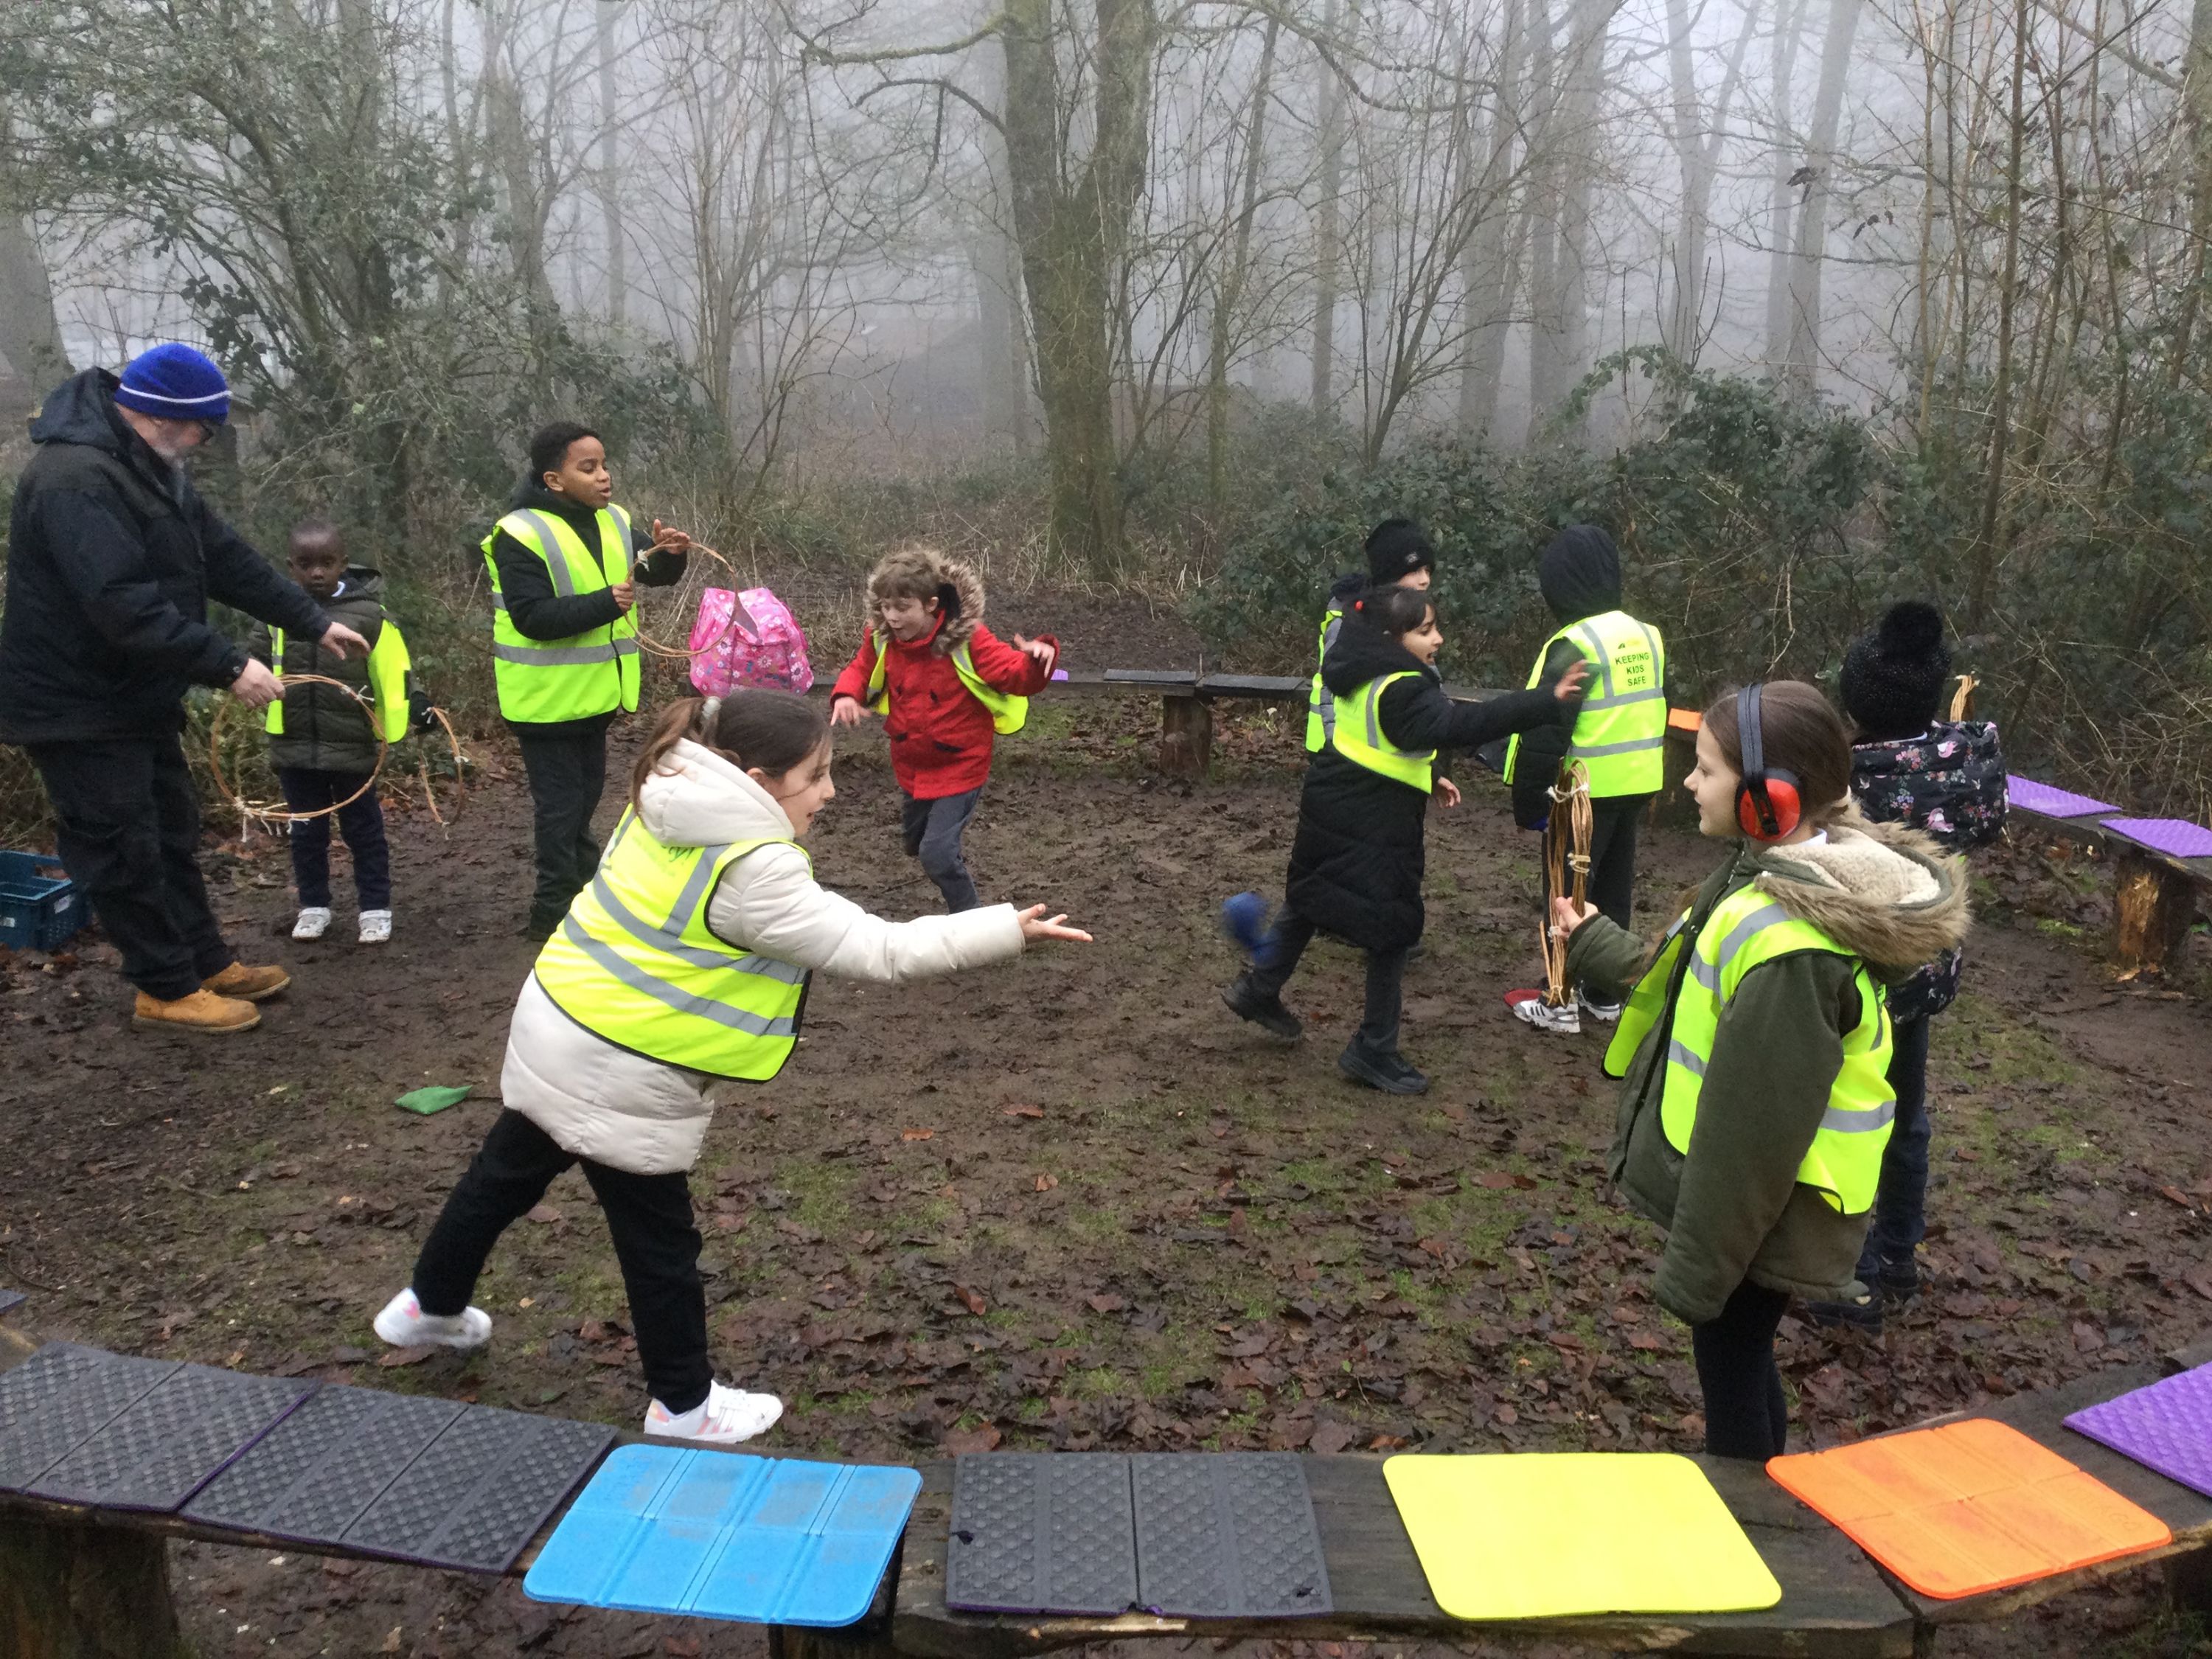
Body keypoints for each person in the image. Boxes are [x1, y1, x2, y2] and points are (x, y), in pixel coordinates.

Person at [372, 689, 1091, 1443]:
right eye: (814, 776)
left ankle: (427, 1307)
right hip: (626, 1066)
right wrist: (1004, 929)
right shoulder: (755, 872)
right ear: (756, 777)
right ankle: (683, 1405)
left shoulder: (662, 795)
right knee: (658, 1244)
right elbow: (883, 950)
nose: (830, 791)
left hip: (560, 1021)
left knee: (501, 1176)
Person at [1554, 681, 1968, 1459]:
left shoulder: (1792, 944)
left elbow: (1752, 1140)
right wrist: (1592, 939)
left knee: (1732, 1365)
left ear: (1768, 796)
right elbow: (1679, 970)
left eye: (1705, 770)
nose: (1687, 783)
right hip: (1763, 1212)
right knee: (1740, 1356)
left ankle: (1756, 1524)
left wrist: (1696, 1273)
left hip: (1766, 1214)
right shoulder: (1763, 875)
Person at [0, 345, 369, 1033]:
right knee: (121, 846)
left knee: (172, 831)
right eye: (204, 427)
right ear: (162, 415)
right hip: (75, 706)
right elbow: (119, 604)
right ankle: (163, 987)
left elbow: (224, 558)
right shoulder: (75, 479)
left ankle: (204, 960)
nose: (206, 441)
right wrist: (229, 666)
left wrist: (312, 621)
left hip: (135, 694)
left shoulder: (153, 470)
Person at [1223, 584, 1589, 1095]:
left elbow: (1383, 736)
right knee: (1391, 930)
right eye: (1425, 631)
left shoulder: (1355, 668)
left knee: (1312, 896)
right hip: (1375, 822)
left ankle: (1259, 989)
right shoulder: (1401, 687)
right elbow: (1461, 723)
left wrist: (1425, 774)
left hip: (1334, 797)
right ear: (1391, 638)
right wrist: (1544, 701)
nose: (1437, 638)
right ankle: (1374, 1048)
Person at [1806, 602, 2006, 1332]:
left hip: (1852, 972)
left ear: (1854, 700)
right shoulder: (1960, 764)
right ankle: (1896, 1256)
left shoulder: (1840, 776)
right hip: (1923, 969)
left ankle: (1848, 1276)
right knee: (1907, 1113)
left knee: (1848, 1112)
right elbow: (1987, 824)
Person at [482, 422, 694, 939]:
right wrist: (605, 604)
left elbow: (653, 574)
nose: (605, 477)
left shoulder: (614, 522)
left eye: (604, 465)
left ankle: (583, 895)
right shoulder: (519, 534)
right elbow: (532, 617)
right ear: (554, 480)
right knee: (560, 810)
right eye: (589, 467)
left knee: (582, 804)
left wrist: (672, 554)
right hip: (544, 704)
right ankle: (552, 913)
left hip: (595, 699)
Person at [1503, 524, 1667, 1036]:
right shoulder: (1646, 635)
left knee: (1566, 893)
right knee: (1612, 891)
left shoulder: (1575, 643)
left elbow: (1544, 732)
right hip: (1635, 784)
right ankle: (1604, 992)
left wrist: (1529, 800)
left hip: (1579, 794)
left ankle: (1559, 997)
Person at [827, 548, 1057, 912]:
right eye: (886, 607)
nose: (893, 617)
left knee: (937, 856)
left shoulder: (968, 639)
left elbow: (1012, 673)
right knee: (915, 845)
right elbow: (859, 668)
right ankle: (930, 850)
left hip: (961, 764)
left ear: (931, 604)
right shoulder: (881, 637)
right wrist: (845, 696)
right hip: (911, 762)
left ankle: (971, 922)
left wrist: (1036, 658)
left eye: (903, 608)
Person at [248, 520, 434, 947]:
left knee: (363, 830)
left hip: (353, 742)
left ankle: (374, 908)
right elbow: (253, 661)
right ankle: (313, 906)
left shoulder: (369, 615)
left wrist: (416, 704)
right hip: (293, 743)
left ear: (343, 564)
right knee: (306, 831)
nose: (317, 573)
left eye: (327, 563)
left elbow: (396, 669)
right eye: (306, 564)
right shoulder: (275, 614)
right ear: (291, 566)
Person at [1305, 519, 1436, 756]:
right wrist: (1335, 745)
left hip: (1386, 751)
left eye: (1427, 571)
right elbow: (1330, 687)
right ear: (1390, 575)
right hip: (1338, 750)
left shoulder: (1411, 617)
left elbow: (1427, 676)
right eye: (1415, 571)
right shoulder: (1351, 616)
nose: (1425, 579)